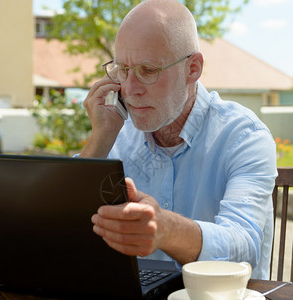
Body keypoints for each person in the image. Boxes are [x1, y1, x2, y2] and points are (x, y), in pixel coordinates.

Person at [78, 0, 277, 280]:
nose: (130, 89)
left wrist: (166, 229)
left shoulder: (243, 136)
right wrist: (100, 140)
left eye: (148, 70)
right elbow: (65, 233)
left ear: (193, 68)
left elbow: (243, 246)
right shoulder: (117, 135)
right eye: (122, 69)